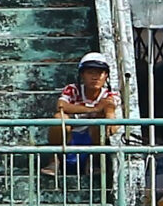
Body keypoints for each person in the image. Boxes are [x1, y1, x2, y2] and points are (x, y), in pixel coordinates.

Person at [51, 52, 121, 181]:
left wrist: (109, 115)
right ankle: (54, 160)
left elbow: (110, 108)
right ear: (82, 75)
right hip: (69, 137)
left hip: (91, 138)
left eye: (99, 73)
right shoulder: (73, 89)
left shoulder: (109, 95)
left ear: (106, 76)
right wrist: (93, 109)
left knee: (102, 121)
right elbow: (61, 106)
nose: (95, 77)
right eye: (90, 73)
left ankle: (94, 161)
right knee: (59, 117)